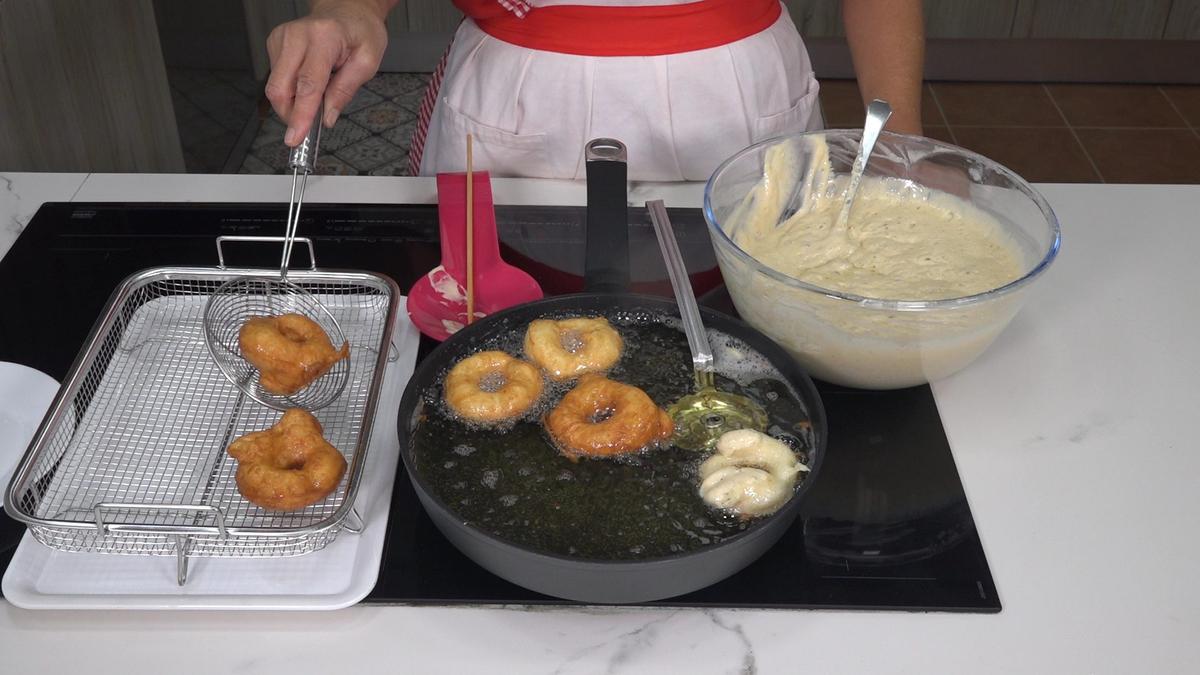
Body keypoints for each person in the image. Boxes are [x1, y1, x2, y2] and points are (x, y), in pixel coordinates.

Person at [266, 0, 924, 181]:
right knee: (493, 336)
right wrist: (352, 7)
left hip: (741, 97)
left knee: (752, 339)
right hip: (517, 95)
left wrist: (900, 147)